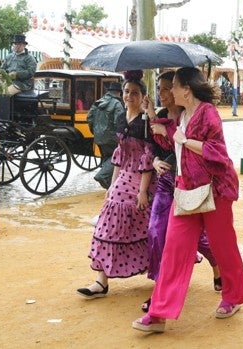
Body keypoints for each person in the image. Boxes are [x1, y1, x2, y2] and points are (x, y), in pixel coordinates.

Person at [132, 67, 243, 333]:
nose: (170, 90)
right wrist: (155, 119)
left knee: (223, 247)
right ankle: (158, 314)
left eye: (173, 85)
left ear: (187, 88)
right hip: (185, 191)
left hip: (215, 190)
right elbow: (172, 135)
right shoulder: (183, 115)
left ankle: (233, 296)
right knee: (173, 252)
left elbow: (217, 152)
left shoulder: (208, 112)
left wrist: (185, 141)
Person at [141, 70, 221, 312]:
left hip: (192, 184)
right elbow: (154, 145)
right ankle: (159, 291)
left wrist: (173, 134)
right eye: (162, 89)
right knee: (157, 232)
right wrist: (155, 160)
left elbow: (205, 148)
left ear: (184, 89)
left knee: (199, 238)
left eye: (168, 88)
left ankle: (219, 268)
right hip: (167, 181)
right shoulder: (163, 115)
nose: (163, 93)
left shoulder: (195, 114)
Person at [77, 71, 156, 299]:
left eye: (135, 92)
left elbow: (148, 157)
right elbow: (120, 154)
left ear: (143, 96)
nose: (129, 96)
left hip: (143, 178)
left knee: (144, 227)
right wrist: (112, 185)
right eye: (126, 92)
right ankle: (101, 280)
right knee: (107, 224)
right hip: (123, 178)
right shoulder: (122, 118)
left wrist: (142, 191)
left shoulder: (145, 122)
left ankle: (160, 270)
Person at [87, 82, 125, 189]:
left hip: (99, 137)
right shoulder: (117, 104)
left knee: (106, 158)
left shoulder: (98, 102)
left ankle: (110, 186)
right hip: (112, 138)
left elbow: (89, 118)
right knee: (116, 158)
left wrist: (95, 132)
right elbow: (120, 123)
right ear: (119, 93)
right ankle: (102, 176)